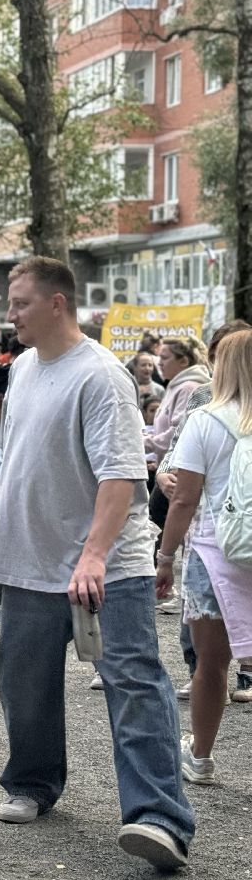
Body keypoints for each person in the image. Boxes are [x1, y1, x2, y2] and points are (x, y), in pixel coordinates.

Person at [0, 256, 193, 872]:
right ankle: (33, 782)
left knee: (133, 683)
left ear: (57, 304)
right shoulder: (24, 366)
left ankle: (159, 818)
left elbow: (123, 474)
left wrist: (95, 554)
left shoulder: (101, 376)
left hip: (108, 565)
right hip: (28, 560)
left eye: (19, 302)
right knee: (22, 681)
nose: (10, 313)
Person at [158, 329, 252, 787]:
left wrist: (165, 557)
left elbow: (184, 500)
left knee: (211, 666)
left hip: (218, 553)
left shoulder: (206, 420)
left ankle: (202, 756)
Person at [148, 338, 211, 463]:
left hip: (178, 473)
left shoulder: (188, 389)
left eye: (164, 358)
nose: (159, 363)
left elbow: (177, 434)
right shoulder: (175, 386)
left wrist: (141, 443)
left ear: (183, 361)